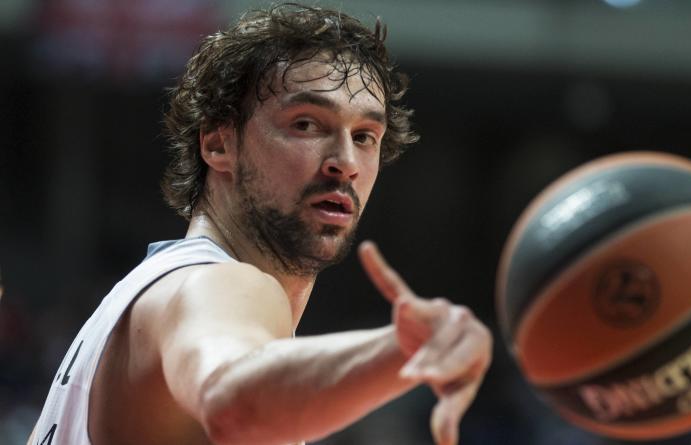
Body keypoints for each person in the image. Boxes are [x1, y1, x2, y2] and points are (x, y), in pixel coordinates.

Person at [29, 4, 492, 445]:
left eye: (364, 137)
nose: (345, 163)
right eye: (306, 124)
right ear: (218, 145)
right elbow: (230, 398)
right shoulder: (216, 285)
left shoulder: (137, 305)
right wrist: (405, 348)